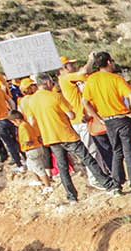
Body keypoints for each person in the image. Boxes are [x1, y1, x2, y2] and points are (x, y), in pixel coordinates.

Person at [20, 74, 115, 202]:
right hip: (66, 134)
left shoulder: (31, 101)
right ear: (48, 82)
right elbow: (70, 115)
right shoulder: (56, 96)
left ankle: (71, 197)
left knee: (63, 167)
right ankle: (108, 184)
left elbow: (31, 122)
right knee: (87, 159)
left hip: (51, 138)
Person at [81, 51, 131, 195]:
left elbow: (85, 102)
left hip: (108, 121)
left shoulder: (91, 80)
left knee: (117, 152)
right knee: (129, 153)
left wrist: (98, 118)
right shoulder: (116, 78)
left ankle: (117, 186)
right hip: (122, 119)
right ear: (109, 62)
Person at [8, 108, 54, 193]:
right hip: (36, 149)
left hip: (32, 150)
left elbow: (27, 140)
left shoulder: (23, 126)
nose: (14, 124)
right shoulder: (26, 124)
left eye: (13, 122)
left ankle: (48, 186)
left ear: (17, 120)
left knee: (39, 168)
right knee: (30, 166)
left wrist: (23, 142)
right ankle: (37, 181)